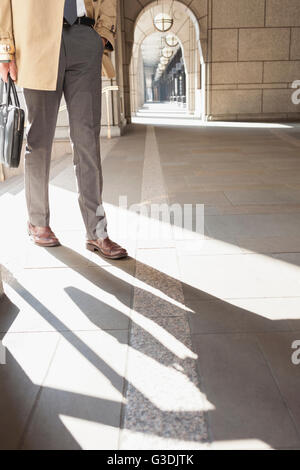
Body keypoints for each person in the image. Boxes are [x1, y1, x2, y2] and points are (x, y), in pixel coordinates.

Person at [0, 0, 127, 260]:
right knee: (40, 139)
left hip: (84, 35)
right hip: (36, 40)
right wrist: (5, 50)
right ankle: (37, 221)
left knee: (88, 139)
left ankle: (97, 231)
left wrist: (102, 34)